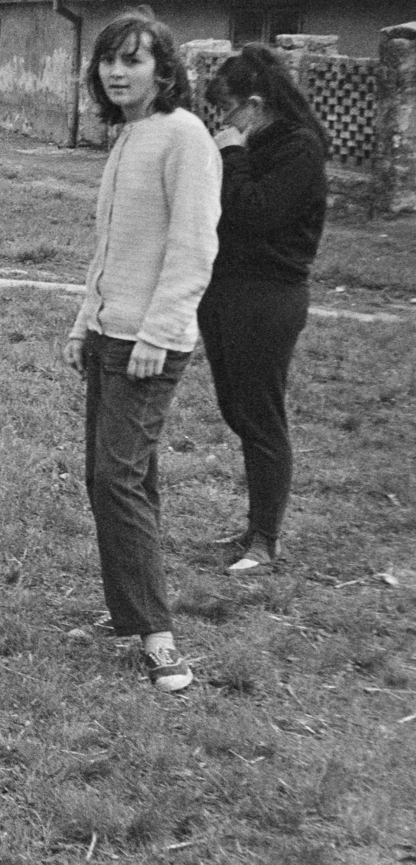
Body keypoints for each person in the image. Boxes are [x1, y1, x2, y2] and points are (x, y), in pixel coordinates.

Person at [64, 11, 221, 694]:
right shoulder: (130, 134)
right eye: (108, 60)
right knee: (124, 477)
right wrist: (82, 322)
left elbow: (193, 246)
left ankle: (159, 639)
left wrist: (158, 333)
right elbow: (111, 247)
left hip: (147, 343)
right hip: (109, 334)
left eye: (133, 60)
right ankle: (131, 610)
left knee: (115, 478)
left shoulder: (185, 137)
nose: (117, 71)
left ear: (165, 70)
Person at [198, 45, 328, 577]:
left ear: (255, 103)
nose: (222, 122)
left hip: (268, 296)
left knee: (261, 417)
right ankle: (257, 523)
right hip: (225, 290)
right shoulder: (255, 144)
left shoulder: (299, 148)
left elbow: (253, 213)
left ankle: (265, 539)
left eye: (227, 111)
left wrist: (230, 153)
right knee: (238, 409)